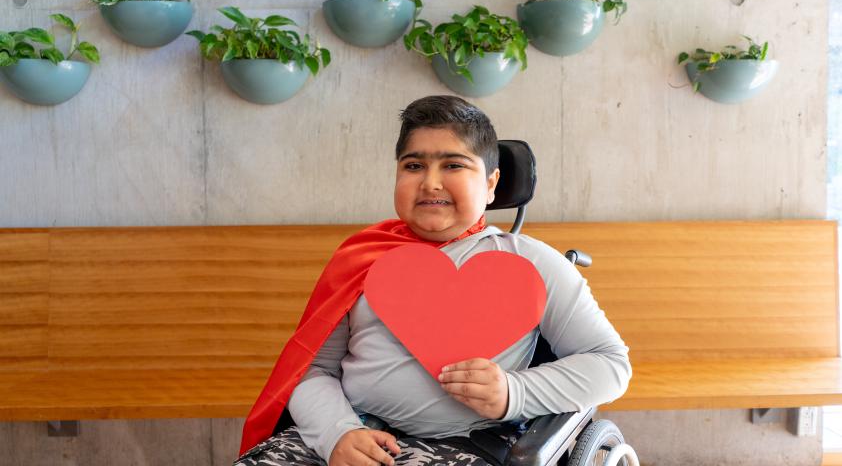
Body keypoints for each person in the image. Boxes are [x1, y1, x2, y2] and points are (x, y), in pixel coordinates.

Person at [235, 95, 632, 466]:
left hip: (467, 444)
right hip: (352, 432)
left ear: (491, 183)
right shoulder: (362, 257)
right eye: (413, 166)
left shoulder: (532, 262)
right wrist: (338, 433)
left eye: (453, 165)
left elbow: (611, 365)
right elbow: (314, 370)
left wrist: (514, 393)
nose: (430, 182)